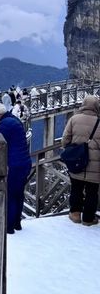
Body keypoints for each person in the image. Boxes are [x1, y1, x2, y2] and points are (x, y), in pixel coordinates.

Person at [0, 101, 32, 234]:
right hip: (25, 162)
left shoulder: (5, 124)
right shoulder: (13, 120)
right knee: (19, 194)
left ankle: (9, 227)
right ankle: (17, 223)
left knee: (11, 195)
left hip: (15, 164)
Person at [61, 95, 100, 226]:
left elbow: (65, 140)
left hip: (77, 160)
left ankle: (75, 214)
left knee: (76, 188)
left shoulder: (74, 119)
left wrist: (70, 148)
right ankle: (88, 219)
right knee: (92, 192)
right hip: (95, 164)